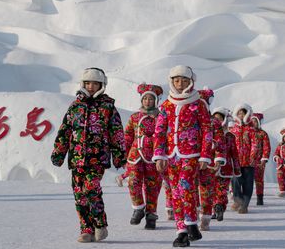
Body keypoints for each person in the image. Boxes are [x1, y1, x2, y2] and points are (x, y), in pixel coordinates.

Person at [51, 67, 126, 243]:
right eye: (87, 83)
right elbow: (65, 131)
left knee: (91, 188)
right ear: (82, 84)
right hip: (77, 158)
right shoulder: (75, 106)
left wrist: (119, 156)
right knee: (79, 195)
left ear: (102, 84)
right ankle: (86, 229)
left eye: (95, 83)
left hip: (97, 158)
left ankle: (100, 223)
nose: (91, 86)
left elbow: (116, 132)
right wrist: (59, 153)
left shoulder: (108, 107)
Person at [152, 66, 212, 247]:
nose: (180, 84)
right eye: (177, 80)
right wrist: (159, 155)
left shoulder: (198, 104)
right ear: (172, 81)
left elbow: (207, 130)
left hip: (191, 155)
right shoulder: (167, 105)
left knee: (185, 188)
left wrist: (205, 156)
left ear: (191, 82)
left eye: (185, 81)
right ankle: (182, 232)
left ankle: (192, 223)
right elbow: (160, 131)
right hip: (172, 156)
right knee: (175, 193)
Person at [123, 83, 164, 229]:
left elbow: (166, 136)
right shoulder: (134, 117)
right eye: (145, 98)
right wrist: (123, 156)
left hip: (154, 157)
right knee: (133, 181)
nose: (148, 101)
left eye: (151, 99)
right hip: (135, 155)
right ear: (141, 100)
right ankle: (138, 207)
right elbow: (127, 137)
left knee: (152, 187)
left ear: (156, 101)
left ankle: (151, 215)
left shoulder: (161, 117)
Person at [196, 88, 226, 231]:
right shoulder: (188, 119)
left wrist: (218, 158)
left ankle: (206, 216)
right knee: (189, 190)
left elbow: (220, 141)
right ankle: (192, 217)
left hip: (209, 161)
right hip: (189, 161)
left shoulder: (214, 122)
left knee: (207, 191)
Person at [210, 107, 240, 222]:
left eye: (220, 118)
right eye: (215, 118)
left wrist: (236, 169)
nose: (217, 121)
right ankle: (214, 209)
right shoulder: (208, 134)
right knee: (211, 190)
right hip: (210, 167)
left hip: (225, 168)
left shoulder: (229, 136)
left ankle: (220, 207)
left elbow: (234, 153)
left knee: (222, 190)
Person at [229, 103, 258, 213]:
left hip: (249, 162)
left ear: (247, 115)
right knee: (235, 181)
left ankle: (244, 205)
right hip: (236, 162)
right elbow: (229, 145)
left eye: (243, 113)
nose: (241, 115)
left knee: (248, 183)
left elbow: (255, 144)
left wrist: (252, 156)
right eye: (239, 113)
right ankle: (238, 199)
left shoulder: (251, 129)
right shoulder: (233, 130)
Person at [251, 112, 271, 205]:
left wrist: (264, 158)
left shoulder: (263, 134)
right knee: (247, 180)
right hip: (247, 161)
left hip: (259, 161)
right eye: (252, 121)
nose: (253, 123)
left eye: (255, 121)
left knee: (259, 180)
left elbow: (266, 147)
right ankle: (245, 197)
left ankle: (260, 197)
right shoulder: (248, 132)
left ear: (259, 122)